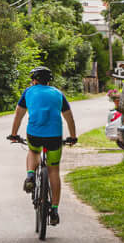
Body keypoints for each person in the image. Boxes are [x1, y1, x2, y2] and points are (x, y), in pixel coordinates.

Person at [7, 66, 77, 227]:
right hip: (54, 136)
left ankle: (30, 175)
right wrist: (73, 137)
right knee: (54, 170)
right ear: (49, 81)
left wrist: (14, 134)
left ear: (34, 80)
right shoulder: (58, 94)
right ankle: (54, 210)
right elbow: (69, 118)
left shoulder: (28, 92)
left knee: (33, 151)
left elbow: (19, 114)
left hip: (35, 134)